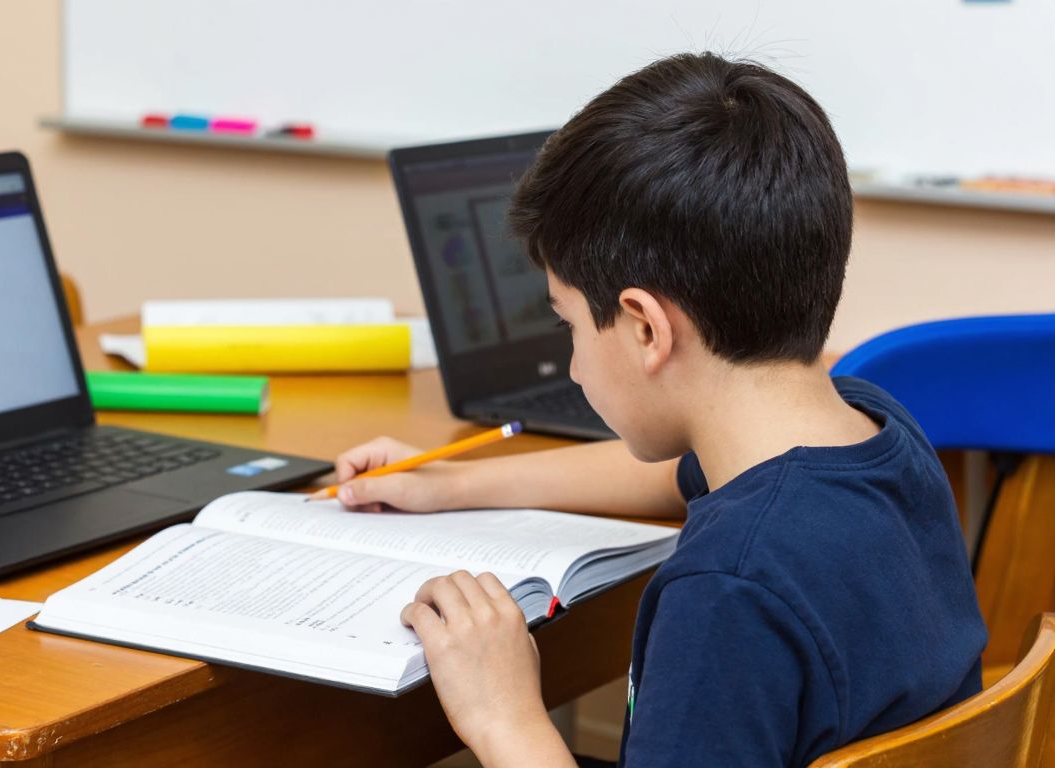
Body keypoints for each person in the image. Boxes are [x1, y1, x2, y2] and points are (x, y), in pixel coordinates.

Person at [333, 53, 985, 767]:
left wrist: (505, 720)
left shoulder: (727, 593)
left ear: (646, 328)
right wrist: (448, 486)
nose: (575, 363)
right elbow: (675, 471)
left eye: (571, 326)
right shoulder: (872, 428)